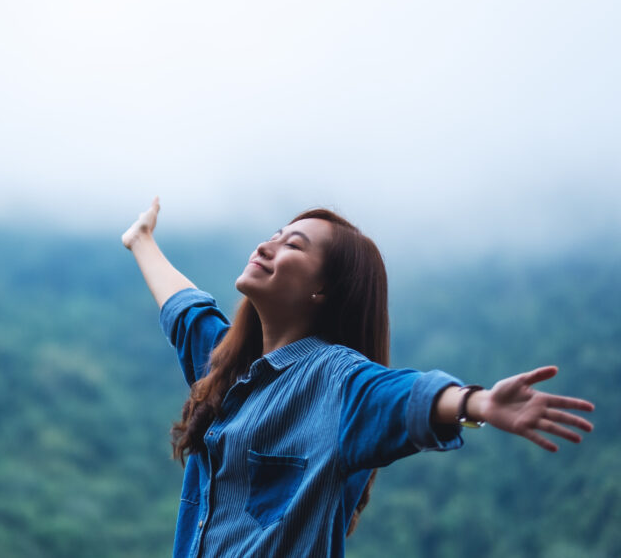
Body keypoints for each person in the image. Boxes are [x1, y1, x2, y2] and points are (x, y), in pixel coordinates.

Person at [121, 197, 595, 558]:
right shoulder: (226, 369)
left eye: (293, 245)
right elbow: (185, 310)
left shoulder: (336, 380)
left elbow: (404, 397)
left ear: (323, 289)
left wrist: (477, 403)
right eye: (275, 234)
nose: (265, 246)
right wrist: (142, 239)